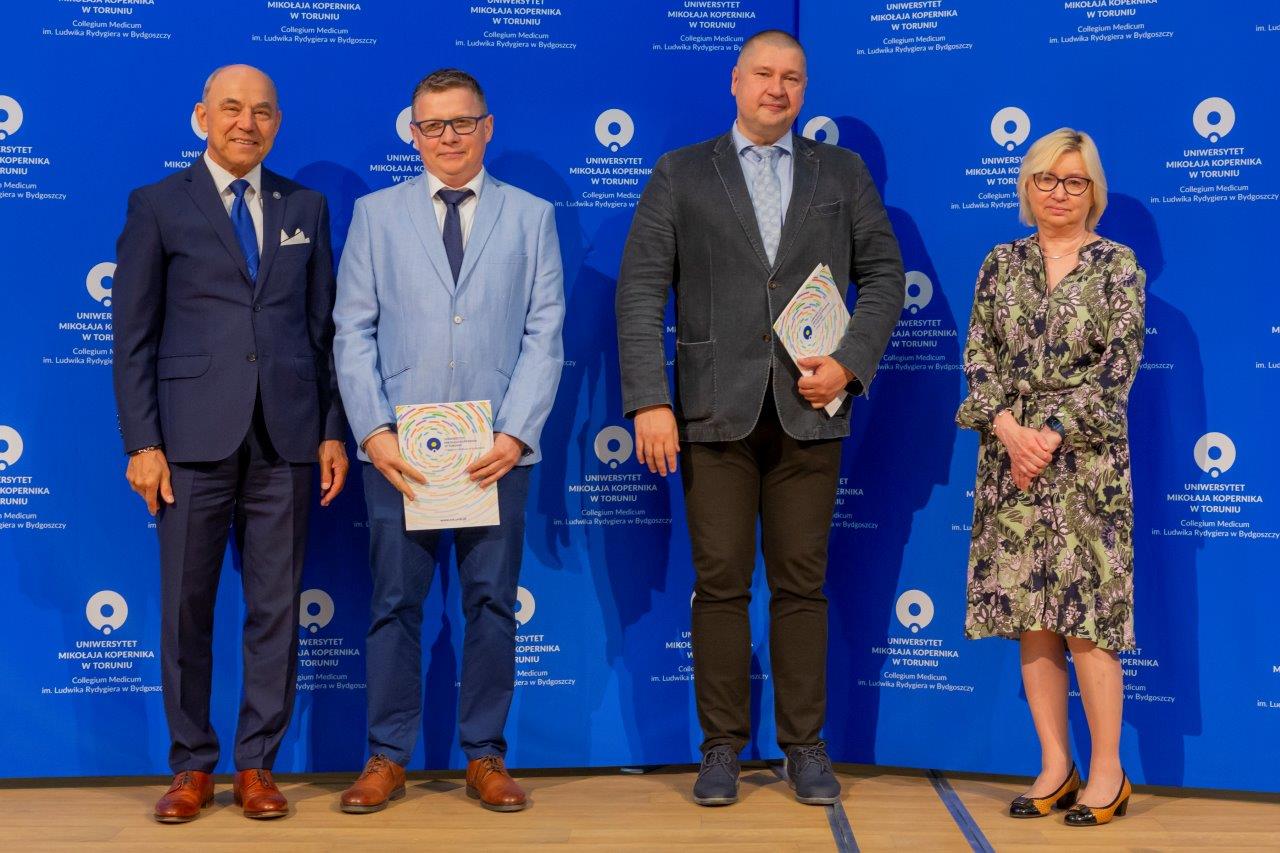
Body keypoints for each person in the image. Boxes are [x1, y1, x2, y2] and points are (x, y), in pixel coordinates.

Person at [615, 30, 904, 807]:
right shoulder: (681, 172)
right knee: (719, 585)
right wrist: (649, 399)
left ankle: (805, 746)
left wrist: (849, 361)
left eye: (793, 78)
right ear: (735, 81)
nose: (778, 88)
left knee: (802, 585)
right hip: (713, 411)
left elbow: (885, 274)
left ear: (805, 90)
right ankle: (721, 748)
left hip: (812, 408)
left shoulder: (842, 172)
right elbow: (641, 289)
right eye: (765, 74)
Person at [112, 64, 349, 822]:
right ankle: (191, 766)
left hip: (287, 440)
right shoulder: (157, 205)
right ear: (202, 116)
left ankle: (257, 765)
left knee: (276, 609)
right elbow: (132, 337)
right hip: (188, 444)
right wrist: (143, 441)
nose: (247, 122)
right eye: (231, 108)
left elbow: (323, 331)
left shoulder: (306, 206)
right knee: (186, 608)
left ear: (278, 122)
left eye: (262, 111)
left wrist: (331, 430)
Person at [333, 68, 564, 814]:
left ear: (486, 127)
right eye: (433, 125)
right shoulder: (375, 215)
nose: (449, 137)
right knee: (394, 602)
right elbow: (352, 330)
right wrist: (374, 431)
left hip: (496, 451)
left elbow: (545, 333)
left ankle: (485, 755)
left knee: (492, 603)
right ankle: (386, 755)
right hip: (399, 453)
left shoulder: (531, 216)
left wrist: (516, 431)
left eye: (462, 122)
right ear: (414, 133)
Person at [956, 128, 1146, 827]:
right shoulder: (999, 263)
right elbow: (978, 357)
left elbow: (1118, 367)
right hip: (1011, 460)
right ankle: (1055, 766)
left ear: (1093, 191)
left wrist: (1054, 433)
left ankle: (1108, 773)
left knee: (1086, 620)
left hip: (1087, 465)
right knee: (1032, 617)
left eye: (1073, 181)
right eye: (1046, 178)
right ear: (1027, 186)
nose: (1058, 192)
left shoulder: (1118, 265)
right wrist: (1010, 431)